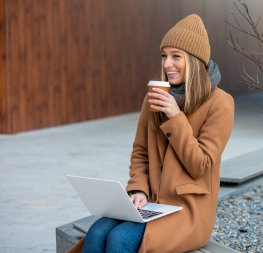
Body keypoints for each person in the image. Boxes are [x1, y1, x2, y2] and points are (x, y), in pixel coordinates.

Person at [67, 13, 234, 253]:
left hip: (186, 211)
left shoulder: (221, 103)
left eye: (176, 56)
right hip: (151, 203)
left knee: (120, 239)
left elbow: (201, 165)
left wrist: (176, 117)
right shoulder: (153, 98)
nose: (167, 64)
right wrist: (137, 189)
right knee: (98, 231)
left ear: (196, 61)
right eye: (164, 56)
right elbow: (141, 152)